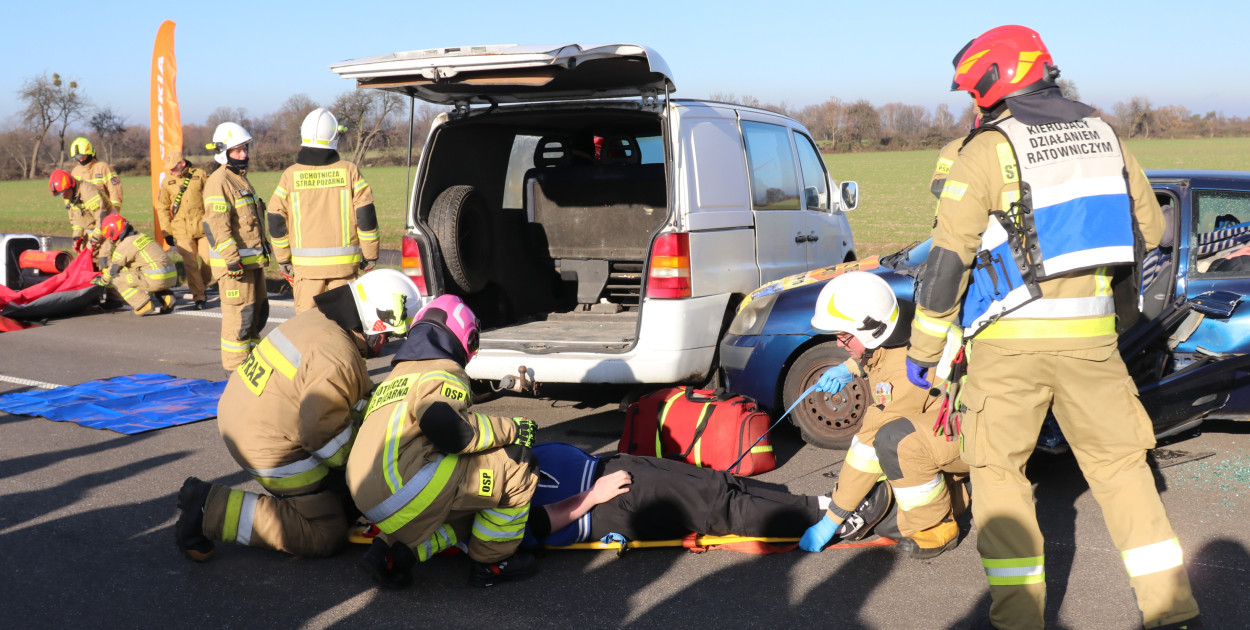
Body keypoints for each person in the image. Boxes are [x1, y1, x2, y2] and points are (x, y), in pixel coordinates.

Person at [907, 25, 1201, 630]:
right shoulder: (1104, 134)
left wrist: (925, 347)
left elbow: (946, 261)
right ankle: (1173, 614)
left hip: (1005, 350)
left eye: (973, 92)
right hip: (1093, 345)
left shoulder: (987, 149)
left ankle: (1018, 620)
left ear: (993, 83)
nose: (972, 104)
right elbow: (1152, 231)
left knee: (999, 476)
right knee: (1122, 474)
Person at [174, 269, 423, 562]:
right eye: (389, 335)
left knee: (342, 494)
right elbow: (322, 433)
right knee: (324, 532)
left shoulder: (320, 320)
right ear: (376, 321)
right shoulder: (337, 355)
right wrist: (360, 470)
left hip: (247, 416)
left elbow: (351, 398)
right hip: (270, 444)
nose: (386, 344)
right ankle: (206, 508)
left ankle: (322, 497)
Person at [347, 295, 541, 589]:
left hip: (368, 495)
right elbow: (451, 432)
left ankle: (395, 554)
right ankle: (492, 563)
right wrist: (512, 429)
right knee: (516, 463)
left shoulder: (396, 376)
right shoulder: (444, 372)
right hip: (404, 488)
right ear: (464, 338)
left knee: (474, 501)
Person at [798, 272, 969, 559]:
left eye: (844, 336)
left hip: (978, 435)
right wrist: (850, 368)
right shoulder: (899, 327)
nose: (839, 345)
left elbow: (867, 449)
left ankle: (937, 525)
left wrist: (832, 519)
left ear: (871, 330)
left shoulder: (906, 370)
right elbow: (879, 356)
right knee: (894, 468)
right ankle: (957, 492)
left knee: (894, 441)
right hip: (959, 420)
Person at [522, 442, 826, 549]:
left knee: (719, 482)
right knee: (716, 507)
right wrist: (593, 495)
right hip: (604, 500)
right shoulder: (476, 506)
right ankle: (824, 519)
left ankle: (820, 505)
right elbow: (535, 525)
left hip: (603, 466)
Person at [267, 108, 379, 313]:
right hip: (344, 268)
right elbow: (365, 215)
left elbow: (275, 219)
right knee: (348, 326)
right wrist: (370, 255)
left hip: (305, 270)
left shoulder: (290, 175)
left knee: (307, 328)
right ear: (334, 137)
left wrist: (283, 259)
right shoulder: (349, 171)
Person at [202, 122, 270, 371]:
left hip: (251, 265)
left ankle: (251, 370)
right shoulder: (219, 181)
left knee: (255, 318)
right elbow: (217, 225)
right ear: (223, 152)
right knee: (238, 324)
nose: (244, 155)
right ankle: (234, 375)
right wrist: (232, 260)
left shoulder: (239, 179)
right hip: (235, 268)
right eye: (237, 150)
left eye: (244, 149)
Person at [155, 150, 213, 309]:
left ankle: (201, 285)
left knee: (210, 259)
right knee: (191, 264)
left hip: (202, 226)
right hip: (181, 229)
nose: (171, 170)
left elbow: (211, 198)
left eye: (173, 167)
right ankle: (199, 297)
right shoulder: (167, 182)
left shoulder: (200, 174)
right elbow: (163, 208)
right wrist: (166, 232)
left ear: (182, 163)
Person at [92, 214, 177, 316]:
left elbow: (113, 270)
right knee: (138, 272)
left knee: (116, 279)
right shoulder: (142, 236)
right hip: (171, 276)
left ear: (113, 232)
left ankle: (143, 305)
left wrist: (102, 280)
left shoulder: (125, 245)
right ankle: (166, 298)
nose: (109, 240)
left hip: (156, 279)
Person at [48, 169, 113, 266]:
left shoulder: (88, 192)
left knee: (104, 259)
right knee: (85, 259)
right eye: (60, 194)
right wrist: (77, 236)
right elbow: (75, 219)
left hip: (108, 229)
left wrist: (94, 240)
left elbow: (102, 219)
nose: (63, 197)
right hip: (93, 230)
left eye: (64, 193)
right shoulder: (69, 196)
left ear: (71, 186)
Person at [69, 136, 123, 213]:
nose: (80, 159)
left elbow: (115, 191)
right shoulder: (75, 172)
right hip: (86, 217)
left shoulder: (103, 168)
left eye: (82, 156)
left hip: (104, 213)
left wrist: (114, 212)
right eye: (77, 157)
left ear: (90, 153)